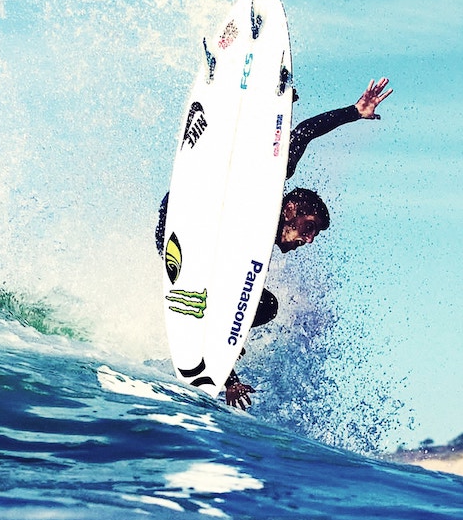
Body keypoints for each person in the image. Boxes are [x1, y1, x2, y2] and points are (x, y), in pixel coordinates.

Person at [156, 78, 393, 408]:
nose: (308, 239)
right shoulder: (267, 185)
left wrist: (229, 368)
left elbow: (231, 308)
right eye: (309, 228)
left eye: (314, 235)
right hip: (182, 218)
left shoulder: (252, 242)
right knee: (250, 300)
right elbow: (303, 133)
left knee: (263, 304)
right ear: (291, 210)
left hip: (187, 238)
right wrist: (353, 112)